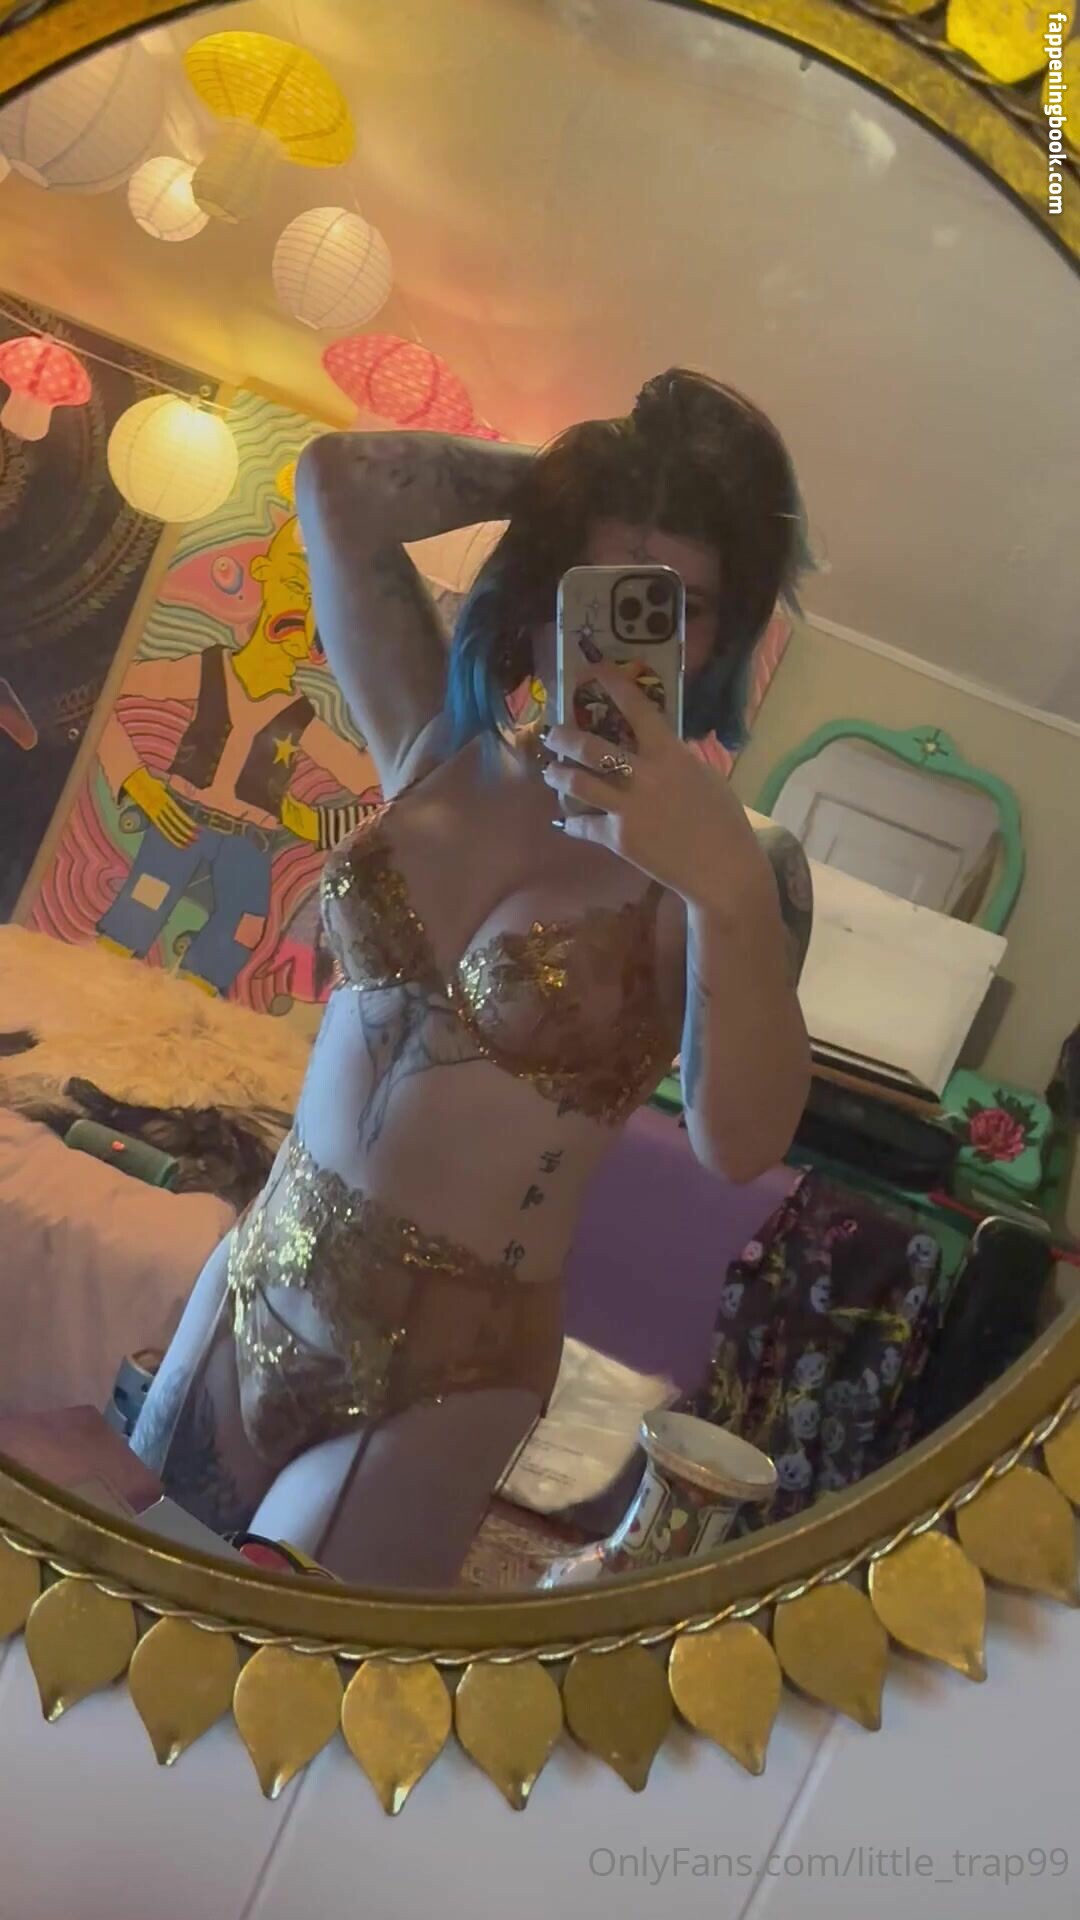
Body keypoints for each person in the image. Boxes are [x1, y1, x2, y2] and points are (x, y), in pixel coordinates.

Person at [131, 369, 815, 1586]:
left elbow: (740, 1143)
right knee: (125, 1601)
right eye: (603, 589)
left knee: (289, 1664)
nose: (633, 633)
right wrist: (566, 476)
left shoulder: (732, 865)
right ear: (546, 580)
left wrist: (723, 889)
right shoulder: (439, 743)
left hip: (445, 1368)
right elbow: (335, 483)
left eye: (683, 607)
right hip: (261, 1276)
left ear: (724, 637)